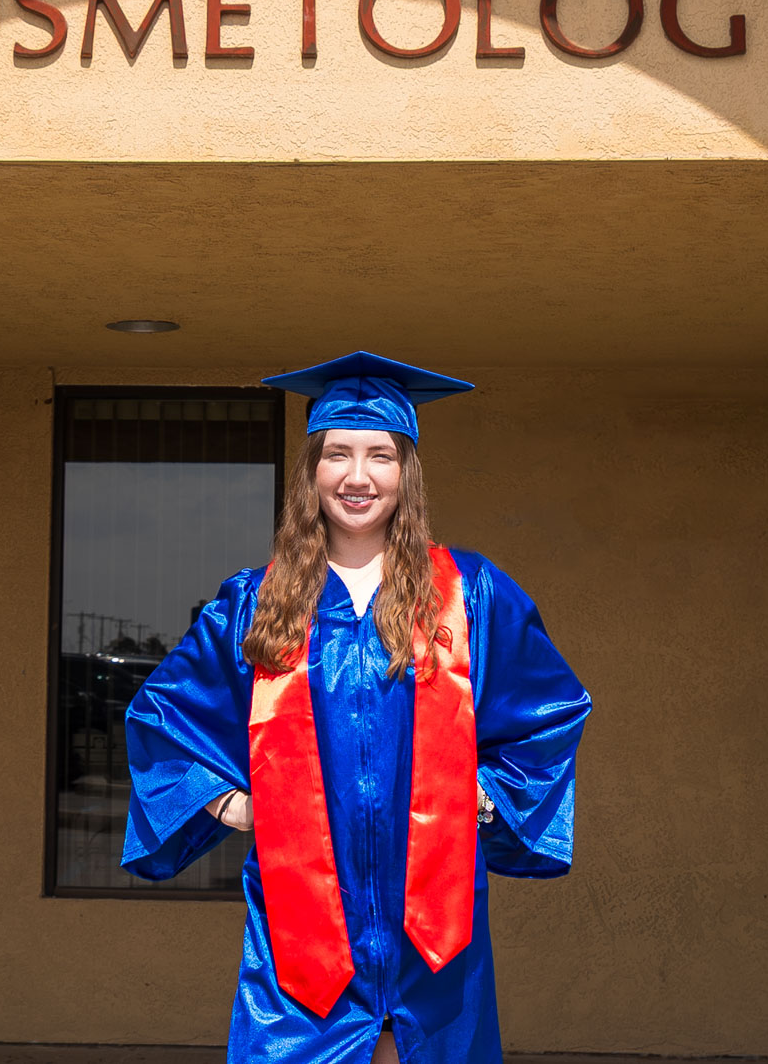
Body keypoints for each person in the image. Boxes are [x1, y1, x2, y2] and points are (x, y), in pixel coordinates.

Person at [121, 352, 592, 1063]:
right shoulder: (257, 603)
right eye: (336, 454)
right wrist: (236, 807)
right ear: (312, 472)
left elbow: (549, 712)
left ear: (406, 474)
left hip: (434, 934)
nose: (357, 476)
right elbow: (162, 718)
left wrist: (485, 798)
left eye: (379, 455)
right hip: (302, 938)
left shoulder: (470, 597)